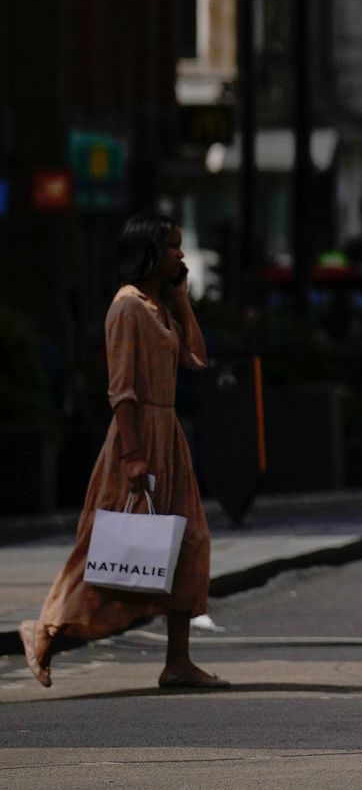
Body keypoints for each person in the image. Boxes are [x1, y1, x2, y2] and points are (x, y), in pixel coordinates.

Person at [19, 216, 222, 690]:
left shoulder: (159, 305)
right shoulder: (127, 308)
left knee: (189, 543)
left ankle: (177, 661)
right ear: (149, 252)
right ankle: (43, 629)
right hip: (137, 436)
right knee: (102, 547)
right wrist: (133, 456)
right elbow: (121, 390)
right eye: (172, 248)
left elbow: (196, 358)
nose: (181, 256)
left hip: (168, 434)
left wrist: (181, 298)